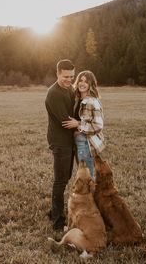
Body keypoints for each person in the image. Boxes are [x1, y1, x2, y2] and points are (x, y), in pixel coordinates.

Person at [45, 59, 75, 231]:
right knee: (60, 181)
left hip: (69, 141)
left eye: (72, 76)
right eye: (65, 76)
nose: (69, 80)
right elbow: (66, 121)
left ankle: (52, 211)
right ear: (57, 74)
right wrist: (80, 122)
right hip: (60, 141)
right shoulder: (54, 93)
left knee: (65, 177)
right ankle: (57, 219)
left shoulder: (69, 89)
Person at [62, 70, 105, 179]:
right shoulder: (77, 99)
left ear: (91, 85)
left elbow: (98, 125)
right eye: (80, 80)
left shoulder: (92, 101)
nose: (82, 83)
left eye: (86, 81)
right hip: (77, 139)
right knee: (83, 172)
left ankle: (91, 195)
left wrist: (78, 124)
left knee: (88, 175)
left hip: (85, 141)